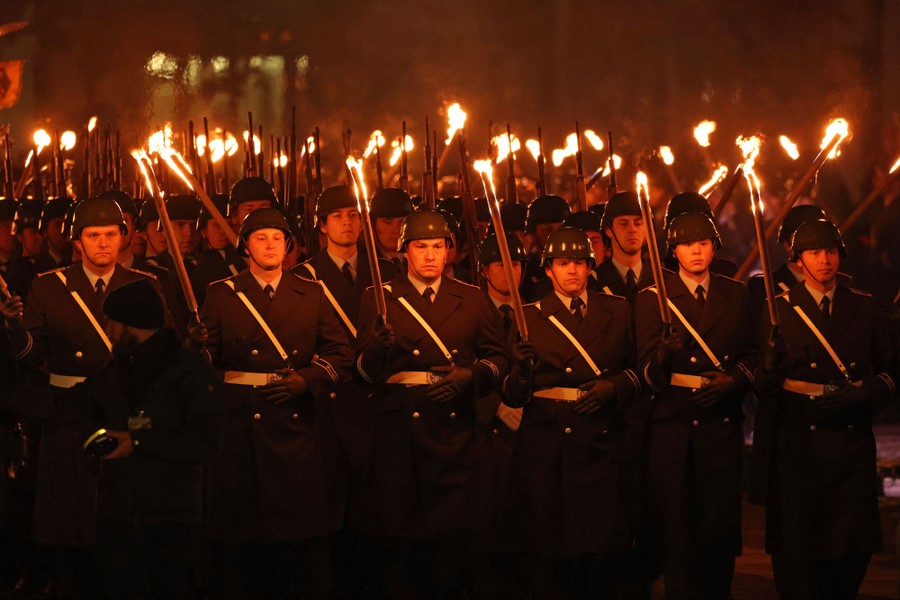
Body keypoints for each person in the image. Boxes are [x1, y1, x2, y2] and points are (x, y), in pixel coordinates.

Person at [1, 196, 170, 597]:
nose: (103, 243)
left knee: (122, 534)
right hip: (67, 425)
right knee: (70, 538)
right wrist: (12, 327)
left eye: (111, 234)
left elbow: (163, 356)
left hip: (123, 418)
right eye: (93, 235)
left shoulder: (144, 287)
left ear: (123, 237)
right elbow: (33, 356)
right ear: (77, 241)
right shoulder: (50, 286)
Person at [24, 278, 224, 599]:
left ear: (132, 324)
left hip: (169, 517)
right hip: (118, 516)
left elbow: (205, 441)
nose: (108, 330)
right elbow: (64, 405)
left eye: (112, 322)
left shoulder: (189, 371)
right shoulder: (116, 371)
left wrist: (139, 442)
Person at [197, 207, 352, 598]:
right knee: (242, 539)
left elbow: (340, 354)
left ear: (288, 247)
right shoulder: (222, 293)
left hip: (295, 425)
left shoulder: (312, 293)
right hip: (240, 429)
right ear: (245, 247)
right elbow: (204, 364)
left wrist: (307, 380)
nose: (270, 246)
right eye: (261, 238)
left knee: (296, 538)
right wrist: (195, 346)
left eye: (277, 239)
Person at [354, 210, 508, 599]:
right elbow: (360, 373)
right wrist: (376, 350)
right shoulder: (379, 297)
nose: (429, 256)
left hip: (454, 431)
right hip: (399, 434)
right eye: (420, 247)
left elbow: (499, 359)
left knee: (452, 546)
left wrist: (472, 376)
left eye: (437, 247)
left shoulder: (471, 298)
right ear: (405, 252)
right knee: (400, 546)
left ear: (448, 252)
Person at [751, 219, 896, 599]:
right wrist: (767, 365)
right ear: (799, 261)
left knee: (850, 552)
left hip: (849, 443)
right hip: (799, 443)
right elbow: (762, 389)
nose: (824, 260)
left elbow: (890, 371)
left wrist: (864, 395)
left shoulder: (862, 306)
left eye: (831, 251)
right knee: (799, 555)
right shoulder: (778, 309)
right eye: (814, 253)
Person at [504, 227, 643, 598]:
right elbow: (514, 396)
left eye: (579, 262)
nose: (572, 271)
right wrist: (518, 370)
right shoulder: (527, 317)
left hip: (601, 444)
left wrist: (614, 388)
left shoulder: (617, 310)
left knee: (599, 557)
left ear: (590, 266)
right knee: (552, 557)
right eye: (563, 263)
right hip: (548, 450)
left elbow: (639, 372)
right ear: (548, 269)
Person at [634, 211, 756, 599]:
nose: (696, 251)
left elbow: (753, 354)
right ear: (673, 251)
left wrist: (735, 381)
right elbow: (645, 373)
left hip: (720, 424)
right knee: (678, 536)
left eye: (703, 243)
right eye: (687, 244)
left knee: (718, 537)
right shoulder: (654, 299)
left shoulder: (736, 294)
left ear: (714, 246)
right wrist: (663, 357)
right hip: (674, 427)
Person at [471, 232, 528, 598]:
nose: (509, 272)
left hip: (527, 433)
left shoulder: (534, 311)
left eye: (516, 265)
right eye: (499, 265)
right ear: (485, 270)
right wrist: (497, 407)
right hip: (483, 432)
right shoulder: (473, 308)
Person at [592, 191, 653, 305]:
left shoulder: (663, 280)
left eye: (638, 223)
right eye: (624, 223)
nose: (632, 229)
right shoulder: (594, 282)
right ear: (609, 230)